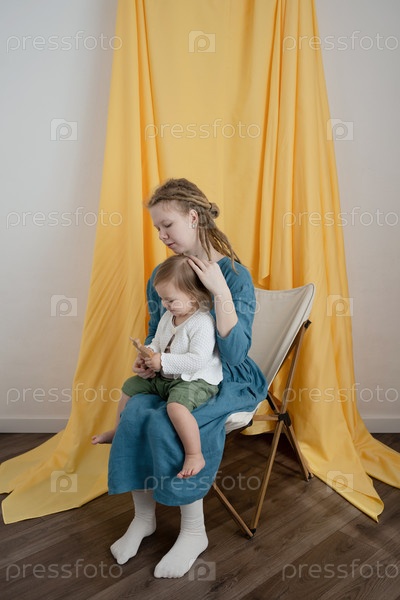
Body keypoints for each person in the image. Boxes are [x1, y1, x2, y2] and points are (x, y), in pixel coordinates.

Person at [106, 178, 268, 578]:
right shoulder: (163, 273)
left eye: (167, 225)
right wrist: (147, 359)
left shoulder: (233, 275)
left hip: (224, 376)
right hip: (173, 369)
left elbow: (234, 354)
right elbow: (156, 332)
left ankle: (194, 531)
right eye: (157, 228)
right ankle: (144, 518)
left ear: (193, 217)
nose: (162, 235)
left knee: (171, 419)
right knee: (135, 410)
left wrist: (219, 292)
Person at [92, 254, 223, 479]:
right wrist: (148, 353)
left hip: (196, 379)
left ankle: (194, 454)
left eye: (170, 300)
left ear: (193, 295)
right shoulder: (168, 317)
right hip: (169, 376)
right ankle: (118, 430)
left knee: (176, 407)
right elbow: (158, 342)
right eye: (162, 299)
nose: (164, 305)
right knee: (130, 387)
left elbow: (198, 360)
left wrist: (162, 361)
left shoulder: (202, 322)